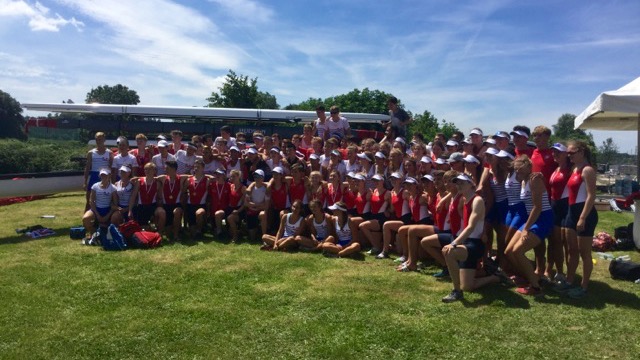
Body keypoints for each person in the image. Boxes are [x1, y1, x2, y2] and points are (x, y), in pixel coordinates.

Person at [441, 174, 502, 303]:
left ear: (471, 184)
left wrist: (454, 242)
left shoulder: (477, 200)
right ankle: (493, 277)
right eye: (458, 183)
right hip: (467, 243)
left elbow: (470, 226)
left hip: (474, 244)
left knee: (448, 252)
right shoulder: (464, 200)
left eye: (462, 183)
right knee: (468, 287)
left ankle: (456, 291)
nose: (459, 185)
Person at [505, 156, 553, 297]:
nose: (517, 171)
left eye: (520, 169)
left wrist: (526, 229)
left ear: (528, 167)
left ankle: (535, 287)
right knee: (509, 251)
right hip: (532, 220)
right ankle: (530, 276)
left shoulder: (534, 180)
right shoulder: (524, 181)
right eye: (515, 169)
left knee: (518, 251)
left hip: (542, 218)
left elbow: (538, 208)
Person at [556, 140, 598, 299]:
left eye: (572, 153)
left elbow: (591, 196)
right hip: (571, 212)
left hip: (583, 213)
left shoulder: (587, 170)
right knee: (572, 250)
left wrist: (582, 217)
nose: (569, 156)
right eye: (568, 153)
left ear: (582, 152)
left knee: (584, 253)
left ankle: (584, 286)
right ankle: (569, 280)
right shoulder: (575, 168)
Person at [546, 143, 571, 284]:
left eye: (559, 152)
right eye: (554, 152)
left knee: (566, 243)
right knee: (555, 242)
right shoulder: (556, 169)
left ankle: (568, 274)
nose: (555, 155)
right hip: (554, 206)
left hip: (565, 207)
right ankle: (559, 271)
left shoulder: (570, 170)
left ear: (566, 154)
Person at [82, 168, 117, 242]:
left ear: (109, 176)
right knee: (85, 219)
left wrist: (108, 214)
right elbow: (91, 201)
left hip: (108, 209)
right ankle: (94, 232)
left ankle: (105, 233)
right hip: (96, 209)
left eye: (105, 175)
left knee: (114, 219)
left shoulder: (113, 188)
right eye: (102, 176)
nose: (103, 177)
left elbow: (115, 203)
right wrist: (97, 214)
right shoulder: (95, 186)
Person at [359, 174, 391, 255]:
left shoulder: (387, 193)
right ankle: (377, 247)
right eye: (374, 180)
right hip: (373, 217)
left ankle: (376, 247)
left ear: (382, 181)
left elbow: (392, 207)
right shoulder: (374, 191)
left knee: (362, 226)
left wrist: (388, 211)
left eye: (377, 180)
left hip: (381, 218)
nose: (375, 182)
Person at [130, 162, 166, 232]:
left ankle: (159, 233)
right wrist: (130, 210)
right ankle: (151, 229)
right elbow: (133, 196)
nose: (147, 171)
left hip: (152, 206)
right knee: (144, 229)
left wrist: (160, 207)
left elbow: (160, 197)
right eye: (145, 169)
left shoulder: (158, 183)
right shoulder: (139, 181)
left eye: (149, 169)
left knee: (162, 212)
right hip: (141, 207)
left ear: (154, 171)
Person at [84, 132, 113, 210]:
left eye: (100, 139)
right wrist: (85, 182)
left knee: (105, 199)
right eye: (97, 139)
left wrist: (111, 181)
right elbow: (87, 168)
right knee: (89, 199)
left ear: (104, 140)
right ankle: (87, 219)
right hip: (94, 176)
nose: (98, 141)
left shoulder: (109, 153)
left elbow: (111, 168)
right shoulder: (91, 153)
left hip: (105, 177)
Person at [182, 158, 209, 239]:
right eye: (195, 167)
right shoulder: (189, 180)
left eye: (198, 167)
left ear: (203, 168)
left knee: (199, 213)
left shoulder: (207, 180)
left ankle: (200, 230)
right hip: (190, 205)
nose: (196, 168)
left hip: (201, 205)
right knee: (192, 233)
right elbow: (183, 191)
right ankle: (194, 230)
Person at [158, 160, 184, 241]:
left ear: (173, 169)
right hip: (166, 206)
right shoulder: (163, 178)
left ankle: (176, 235)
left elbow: (193, 176)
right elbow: (149, 177)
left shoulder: (181, 178)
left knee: (177, 211)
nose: (165, 170)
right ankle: (160, 234)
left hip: (176, 204)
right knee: (168, 233)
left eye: (167, 168)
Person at [245, 169, 269, 242]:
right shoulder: (250, 188)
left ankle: (264, 237)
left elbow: (266, 206)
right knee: (252, 237)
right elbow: (246, 203)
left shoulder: (266, 189)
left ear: (263, 178)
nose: (256, 178)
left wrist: (255, 205)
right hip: (251, 211)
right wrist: (257, 205)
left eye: (258, 176)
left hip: (260, 211)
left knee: (263, 214)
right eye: (255, 176)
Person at [208, 169, 231, 238]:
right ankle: (217, 230)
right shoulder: (212, 185)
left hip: (225, 210)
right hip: (213, 210)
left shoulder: (229, 186)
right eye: (216, 174)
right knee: (213, 228)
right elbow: (209, 198)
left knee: (218, 214)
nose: (217, 176)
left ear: (224, 176)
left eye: (219, 174)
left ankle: (219, 231)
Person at [226, 169, 246, 243]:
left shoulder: (243, 188)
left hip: (239, 210)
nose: (231, 178)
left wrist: (238, 211)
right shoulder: (230, 186)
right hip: (230, 209)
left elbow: (245, 203)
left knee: (230, 218)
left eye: (233, 177)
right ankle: (238, 231)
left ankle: (235, 236)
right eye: (231, 177)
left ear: (238, 177)